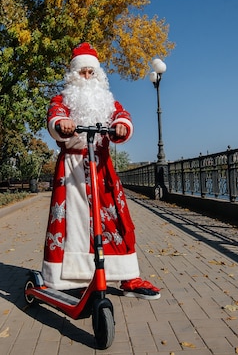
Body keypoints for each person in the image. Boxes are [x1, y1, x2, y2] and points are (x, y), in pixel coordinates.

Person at [42, 42, 160, 300]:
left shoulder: (108, 101)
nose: (86, 77)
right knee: (71, 223)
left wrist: (120, 125)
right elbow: (54, 116)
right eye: (82, 72)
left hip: (101, 167)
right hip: (72, 168)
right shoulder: (62, 100)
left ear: (98, 75)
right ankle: (63, 279)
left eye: (90, 72)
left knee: (117, 218)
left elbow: (123, 116)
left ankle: (128, 276)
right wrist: (61, 123)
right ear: (74, 75)